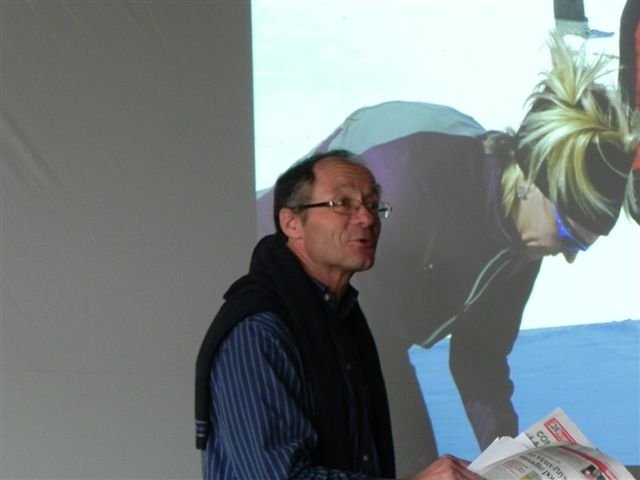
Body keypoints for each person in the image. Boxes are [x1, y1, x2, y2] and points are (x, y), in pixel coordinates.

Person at [255, 33, 638, 474]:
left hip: (357, 327)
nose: (568, 256)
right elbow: (369, 339)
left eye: (582, 246)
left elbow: (480, 358)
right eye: (569, 235)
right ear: (530, 182)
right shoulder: (415, 185)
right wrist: (420, 465)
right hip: (272, 294)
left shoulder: (524, 241)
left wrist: (512, 460)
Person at [195, 150, 482, 479]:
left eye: (372, 204)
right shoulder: (258, 330)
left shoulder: (340, 315)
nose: (367, 219)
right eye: (342, 203)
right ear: (291, 223)